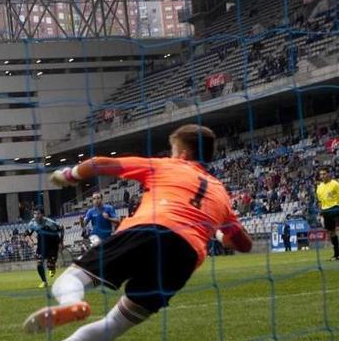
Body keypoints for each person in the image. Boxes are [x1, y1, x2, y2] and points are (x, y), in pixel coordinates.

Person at [23, 124, 253, 339]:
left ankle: (70, 303)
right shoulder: (220, 193)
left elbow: (101, 163)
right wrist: (219, 234)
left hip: (150, 229)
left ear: (182, 153)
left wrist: (70, 175)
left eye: (173, 150)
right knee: (113, 325)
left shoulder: (166, 165)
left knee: (73, 278)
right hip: (184, 257)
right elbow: (244, 244)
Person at [25, 205, 64, 288]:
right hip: (42, 243)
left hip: (53, 243)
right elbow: (26, 234)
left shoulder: (50, 223)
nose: (36, 216)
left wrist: (61, 242)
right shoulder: (32, 223)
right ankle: (44, 281)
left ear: (42, 214)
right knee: (39, 263)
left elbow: (61, 228)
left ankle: (52, 267)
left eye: (38, 214)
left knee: (50, 265)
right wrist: (30, 240)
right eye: (34, 214)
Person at [315, 166, 339, 260]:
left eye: (324, 174)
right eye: (321, 174)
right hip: (326, 212)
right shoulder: (319, 187)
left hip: (336, 209)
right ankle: (337, 254)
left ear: (329, 174)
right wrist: (321, 212)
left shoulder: (335, 184)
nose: (322, 176)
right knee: (331, 232)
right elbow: (320, 202)